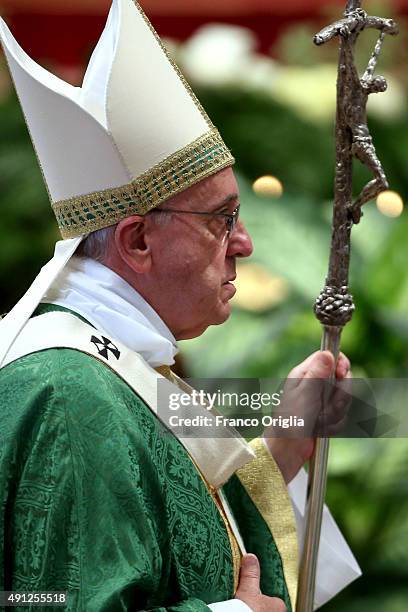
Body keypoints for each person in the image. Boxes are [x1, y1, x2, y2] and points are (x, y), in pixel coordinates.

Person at [0, 1, 361, 610]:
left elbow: (186, 524)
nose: (244, 244)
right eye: (222, 220)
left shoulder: (121, 364)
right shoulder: (67, 390)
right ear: (138, 240)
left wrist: (281, 454)